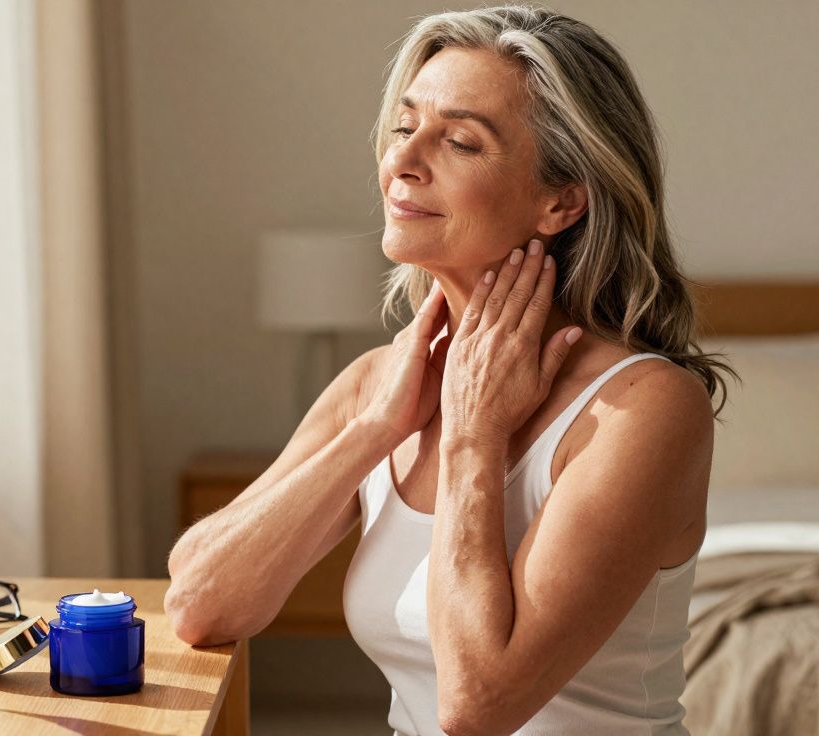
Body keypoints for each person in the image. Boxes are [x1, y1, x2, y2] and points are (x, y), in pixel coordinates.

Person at [165, 5, 737, 734]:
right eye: (405, 128)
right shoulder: (381, 385)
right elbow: (198, 603)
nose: (402, 161)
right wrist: (372, 430)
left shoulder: (643, 409)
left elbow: (476, 706)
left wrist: (474, 434)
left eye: (461, 141)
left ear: (560, 202)